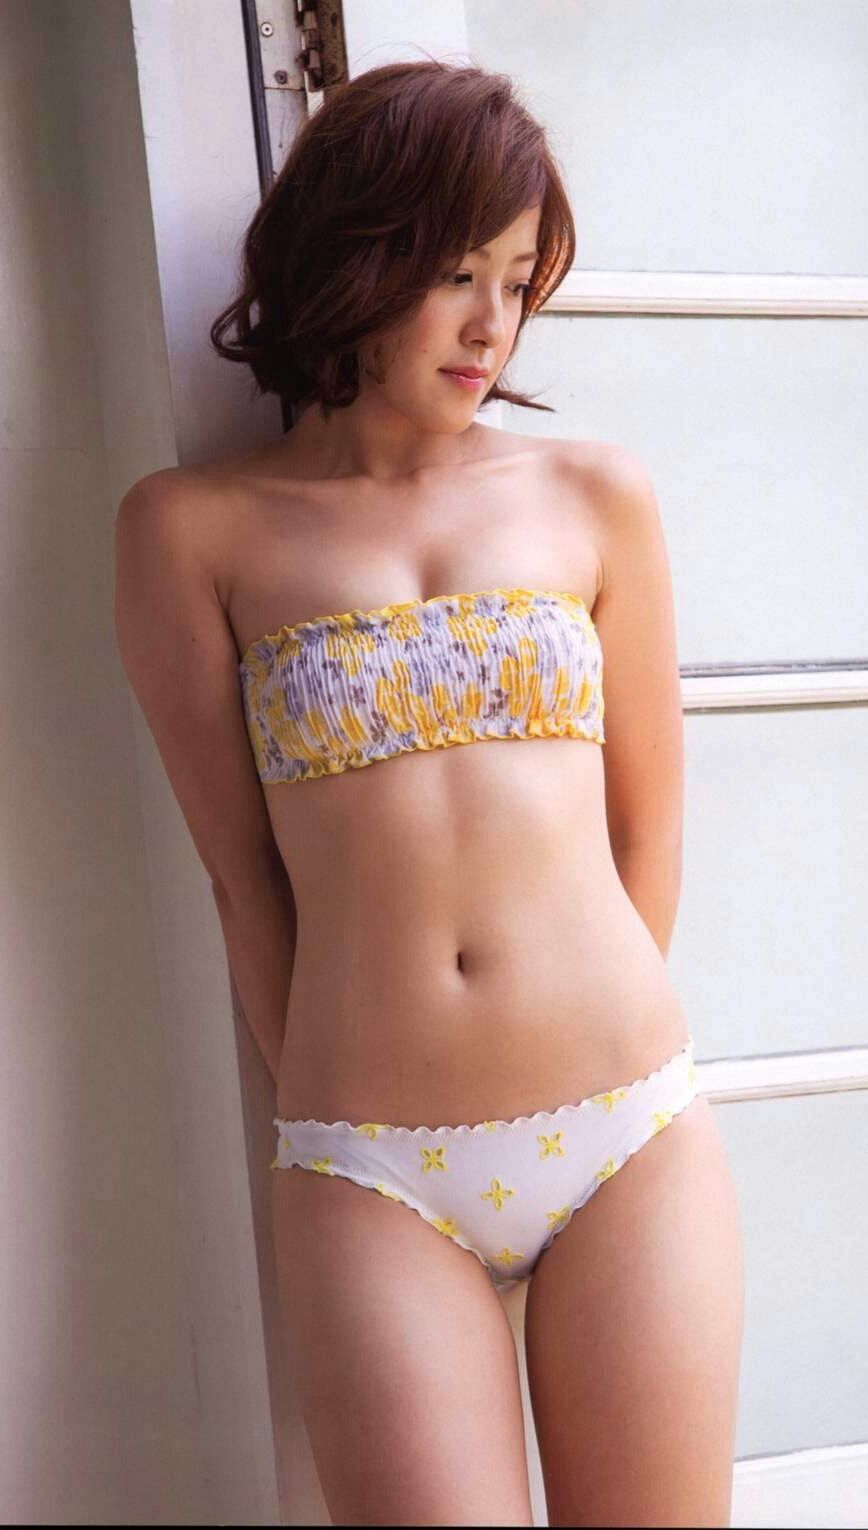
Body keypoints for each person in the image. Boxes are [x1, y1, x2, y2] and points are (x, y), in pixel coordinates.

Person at [114, 58, 744, 1529]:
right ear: (356, 255)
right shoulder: (192, 531)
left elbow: (647, 826)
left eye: (519, 282)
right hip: (373, 1169)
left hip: (628, 1137)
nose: (492, 326)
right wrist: (354, 1098)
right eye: (458, 273)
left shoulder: (594, 496)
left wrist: (569, 1041)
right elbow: (242, 881)